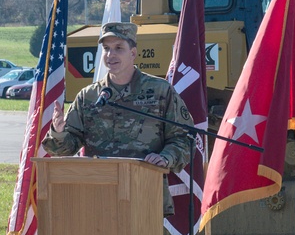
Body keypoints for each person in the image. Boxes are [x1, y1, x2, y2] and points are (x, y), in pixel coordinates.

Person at [42, 22, 193, 217]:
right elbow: (63, 149)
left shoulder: (160, 91)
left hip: (144, 192)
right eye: (106, 49)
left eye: (118, 48)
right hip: (97, 196)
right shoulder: (89, 96)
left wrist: (166, 157)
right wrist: (59, 132)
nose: (110, 55)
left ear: (133, 53)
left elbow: (185, 139)